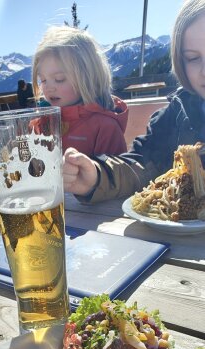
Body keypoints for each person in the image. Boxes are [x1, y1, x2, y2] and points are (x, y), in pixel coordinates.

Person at [63, 0, 205, 202]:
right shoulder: (175, 116)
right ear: (180, 61)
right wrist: (97, 177)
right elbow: (140, 164)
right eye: (192, 58)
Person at [32, 26, 128, 158]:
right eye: (43, 80)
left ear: (88, 77)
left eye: (59, 79)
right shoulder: (40, 124)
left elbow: (116, 175)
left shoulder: (105, 127)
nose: (48, 87)